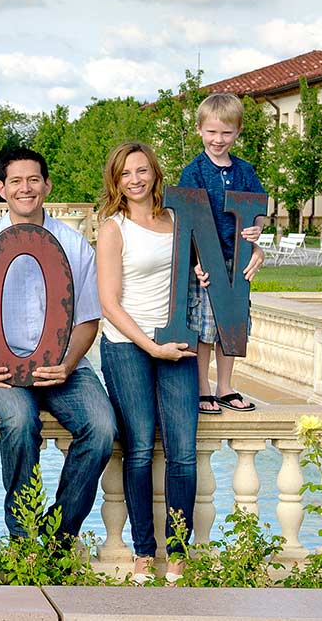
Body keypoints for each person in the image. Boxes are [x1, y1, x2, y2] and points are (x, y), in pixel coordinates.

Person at [0, 148, 115, 543]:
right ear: (1, 188)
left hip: (64, 367)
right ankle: (23, 540)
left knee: (102, 427)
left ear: (47, 185)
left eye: (34, 180)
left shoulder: (74, 245)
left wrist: (68, 364)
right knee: (21, 421)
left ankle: (59, 534)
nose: (26, 188)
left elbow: (88, 320)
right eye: (16, 181)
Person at [96, 142, 198, 583]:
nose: (135, 179)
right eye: (125, 173)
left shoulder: (178, 220)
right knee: (138, 449)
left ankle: (177, 555)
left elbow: (202, 266)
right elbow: (109, 303)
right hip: (126, 346)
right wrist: (151, 347)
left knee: (183, 453)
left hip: (176, 342)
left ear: (155, 172)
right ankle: (142, 552)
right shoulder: (113, 228)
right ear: (116, 182)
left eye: (141, 170)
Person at [179, 92, 267, 415]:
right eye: (212, 132)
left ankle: (225, 386)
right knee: (205, 327)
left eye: (226, 133)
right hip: (207, 260)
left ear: (238, 132)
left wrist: (257, 229)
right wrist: (195, 260)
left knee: (231, 324)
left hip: (236, 259)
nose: (218, 139)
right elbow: (185, 218)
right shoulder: (194, 172)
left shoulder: (245, 171)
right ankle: (203, 386)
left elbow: (258, 209)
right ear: (199, 129)